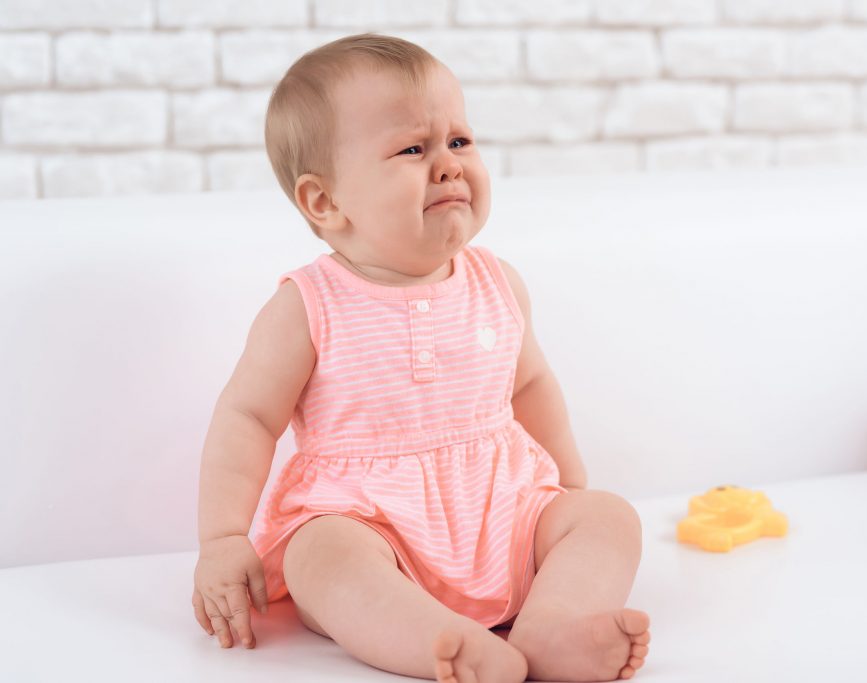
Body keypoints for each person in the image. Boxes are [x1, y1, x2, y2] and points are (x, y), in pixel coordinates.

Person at [192, 33, 650, 683]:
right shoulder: (308, 306)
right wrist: (223, 539)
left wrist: (569, 488)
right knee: (321, 554)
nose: (448, 164)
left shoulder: (497, 282)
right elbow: (247, 418)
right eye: (413, 149)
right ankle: (434, 638)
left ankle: (551, 622)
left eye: (458, 141)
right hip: (370, 525)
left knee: (608, 515)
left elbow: (533, 384)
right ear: (324, 201)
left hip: (503, 515)